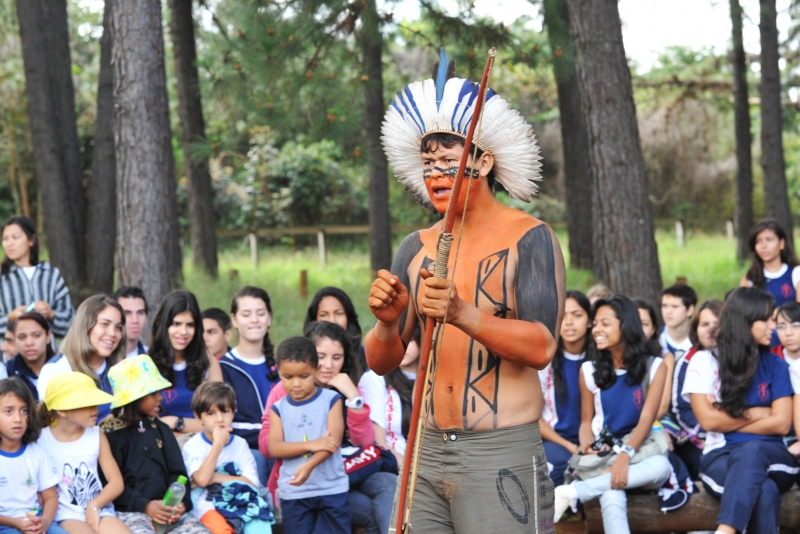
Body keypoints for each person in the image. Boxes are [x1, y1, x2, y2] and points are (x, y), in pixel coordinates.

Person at [367, 51, 565, 533]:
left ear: (483, 159)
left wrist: (462, 313)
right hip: (426, 450)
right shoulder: (416, 248)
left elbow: (542, 347)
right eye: (427, 163)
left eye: (448, 162)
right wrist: (387, 323)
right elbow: (382, 361)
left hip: (501, 453)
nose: (434, 174)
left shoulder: (530, 237)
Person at [553, 296, 671, 534]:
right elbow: (586, 421)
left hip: (639, 452)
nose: (596, 330)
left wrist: (625, 457)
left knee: (661, 466)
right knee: (611, 494)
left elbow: (647, 419)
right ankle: (587, 487)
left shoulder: (655, 366)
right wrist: (587, 443)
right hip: (603, 457)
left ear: (625, 326)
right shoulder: (589, 370)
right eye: (595, 324)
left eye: (604, 324)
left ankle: (571, 492)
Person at [260, 322, 390, 534]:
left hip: (341, 478)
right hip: (298, 488)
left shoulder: (340, 394)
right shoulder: (282, 396)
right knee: (369, 511)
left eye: (336, 358)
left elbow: (364, 443)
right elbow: (268, 446)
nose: (328, 365)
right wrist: (313, 445)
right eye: (321, 357)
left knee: (388, 487)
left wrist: (354, 399)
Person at [683, 288, 795, 534]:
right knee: (765, 490)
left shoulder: (775, 364)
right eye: (766, 319)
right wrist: (759, 413)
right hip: (720, 459)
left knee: (752, 450)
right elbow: (709, 420)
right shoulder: (705, 361)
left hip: (774, 456)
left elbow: (782, 424)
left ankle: (724, 531)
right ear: (745, 320)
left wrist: (729, 415)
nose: (773, 326)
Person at [101, 355, 209, 534]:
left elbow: (178, 473)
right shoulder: (111, 435)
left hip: (169, 512)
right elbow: (109, 484)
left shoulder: (161, 429)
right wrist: (144, 506)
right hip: (131, 512)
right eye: (153, 393)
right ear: (135, 397)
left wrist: (180, 503)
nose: (160, 397)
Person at [268, 336, 350, 534]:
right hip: (294, 493)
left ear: (316, 369)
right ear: (279, 371)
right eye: (288, 377)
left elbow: (333, 443)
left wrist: (309, 465)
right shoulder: (278, 408)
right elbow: (275, 447)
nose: (296, 384)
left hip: (331, 489)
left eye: (304, 376)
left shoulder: (332, 400)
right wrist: (312, 445)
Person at [38, 372, 131, 534]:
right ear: (62, 410)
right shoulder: (41, 440)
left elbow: (116, 482)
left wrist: (94, 505)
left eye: (95, 403)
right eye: (87, 403)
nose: (95, 409)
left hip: (100, 507)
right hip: (65, 514)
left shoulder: (96, 435)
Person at [182, 382, 273, 534]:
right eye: (211, 413)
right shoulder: (193, 446)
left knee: (260, 528)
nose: (220, 419)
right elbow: (203, 480)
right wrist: (218, 444)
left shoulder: (240, 444)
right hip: (207, 504)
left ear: (233, 412)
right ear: (198, 417)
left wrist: (215, 477)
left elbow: (252, 483)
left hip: (242, 500)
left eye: (225, 411)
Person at [219, 286, 279, 486]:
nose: (254, 320)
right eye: (246, 314)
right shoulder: (225, 367)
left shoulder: (282, 366)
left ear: (269, 318)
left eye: (260, 314)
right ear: (234, 320)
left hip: (282, 446)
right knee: (258, 458)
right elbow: (226, 423)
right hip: (244, 449)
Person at [38, 295, 126, 422]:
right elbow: (52, 426)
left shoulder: (123, 369)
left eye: (118, 327)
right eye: (105, 324)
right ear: (85, 326)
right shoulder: (56, 371)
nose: (113, 333)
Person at [149, 291, 222, 440]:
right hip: (160, 445)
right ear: (161, 324)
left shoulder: (208, 362)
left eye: (190, 325)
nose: (183, 332)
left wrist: (176, 422)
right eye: (176, 324)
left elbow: (218, 421)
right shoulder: (146, 364)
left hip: (202, 445)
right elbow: (145, 425)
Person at [538, 290, 590, 486]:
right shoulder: (544, 361)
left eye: (577, 315)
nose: (569, 322)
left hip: (594, 441)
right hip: (556, 440)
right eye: (563, 316)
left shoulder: (601, 360)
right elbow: (535, 418)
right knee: (551, 470)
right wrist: (568, 445)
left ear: (590, 320)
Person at [0, 378, 64, 534]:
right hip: (6, 525)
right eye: (8, 411)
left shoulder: (37, 453)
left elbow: (50, 498)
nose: (18, 419)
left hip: (37, 521)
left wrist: (45, 522)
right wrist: (15, 523)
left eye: (24, 411)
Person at [671, 299, 723, 480]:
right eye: (705, 324)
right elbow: (681, 408)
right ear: (696, 329)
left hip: (730, 431)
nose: (711, 330)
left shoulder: (734, 357)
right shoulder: (687, 360)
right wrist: (706, 430)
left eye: (717, 324)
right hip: (696, 436)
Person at [0, 215, 74, 341]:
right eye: (5, 239)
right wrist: (10, 318)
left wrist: (51, 314)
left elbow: (71, 321)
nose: (9, 243)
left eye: (15, 237)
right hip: (8, 356)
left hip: (48, 357)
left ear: (31, 240)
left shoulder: (51, 274)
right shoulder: (2, 276)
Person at [359, 326, 420, 469]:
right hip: (396, 469)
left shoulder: (436, 377)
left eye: (409, 340)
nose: (401, 345)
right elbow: (379, 443)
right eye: (393, 340)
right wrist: (413, 473)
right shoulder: (375, 378)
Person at [740, 218, 800, 346]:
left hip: (793, 340)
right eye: (758, 241)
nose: (763, 246)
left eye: (769, 239)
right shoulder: (750, 280)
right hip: (762, 343)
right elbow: (742, 314)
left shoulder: (796, 273)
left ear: (781, 242)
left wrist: (778, 316)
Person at [304, 287, 365, 369]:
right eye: (324, 315)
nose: (332, 321)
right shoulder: (301, 355)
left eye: (339, 314)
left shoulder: (367, 357)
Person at [635, 298, 673, 419]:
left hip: (656, 420)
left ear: (653, 329)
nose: (639, 329)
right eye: (634, 322)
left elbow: (662, 406)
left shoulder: (664, 358)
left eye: (644, 324)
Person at [6, 312, 54, 401]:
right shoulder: (7, 373)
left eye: (36, 335)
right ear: (15, 340)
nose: (29, 343)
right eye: (22, 337)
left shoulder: (63, 366)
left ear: (48, 336)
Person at [112, 287, 149, 359]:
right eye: (127, 313)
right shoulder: (100, 359)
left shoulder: (152, 358)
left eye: (140, 313)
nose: (135, 320)